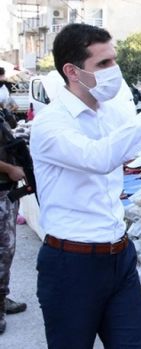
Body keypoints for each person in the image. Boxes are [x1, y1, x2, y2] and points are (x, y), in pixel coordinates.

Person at [29, 23, 141, 348]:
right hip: (71, 265)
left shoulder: (108, 112)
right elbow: (100, 156)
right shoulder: (50, 124)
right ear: (72, 71)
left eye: (114, 61)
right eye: (103, 64)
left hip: (119, 258)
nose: (114, 71)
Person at [0, 89, 27, 335]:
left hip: (6, 191)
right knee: (2, 251)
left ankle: (2, 298)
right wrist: (10, 169)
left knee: (6, 251)